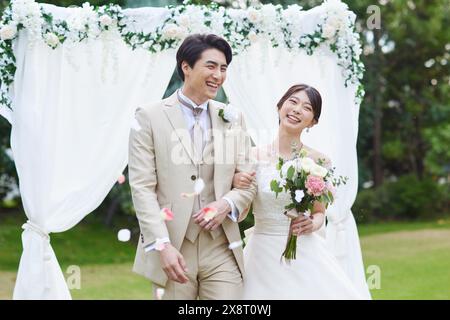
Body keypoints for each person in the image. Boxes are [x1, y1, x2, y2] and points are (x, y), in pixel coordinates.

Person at [128, 34, 257, 300]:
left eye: (223, 68)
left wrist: (226, 205)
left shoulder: (234, 118)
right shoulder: (148, 116)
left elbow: (248, 180)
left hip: (222, 245)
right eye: (211, 66)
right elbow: (141, 187)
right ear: (186, 66)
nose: (218, 75)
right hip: (174, 244)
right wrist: (161, 245)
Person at [232, 84, 368, 299]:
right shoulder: (252, 156)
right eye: (292, 102)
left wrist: (311, 224)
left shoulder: (319, 161)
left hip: (304, 250)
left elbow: (319, 214)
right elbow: (241, 210)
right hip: (261, 253)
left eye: (307, 107)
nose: (296, 110)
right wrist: (234, 191)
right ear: (280, 107)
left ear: (313, 121)